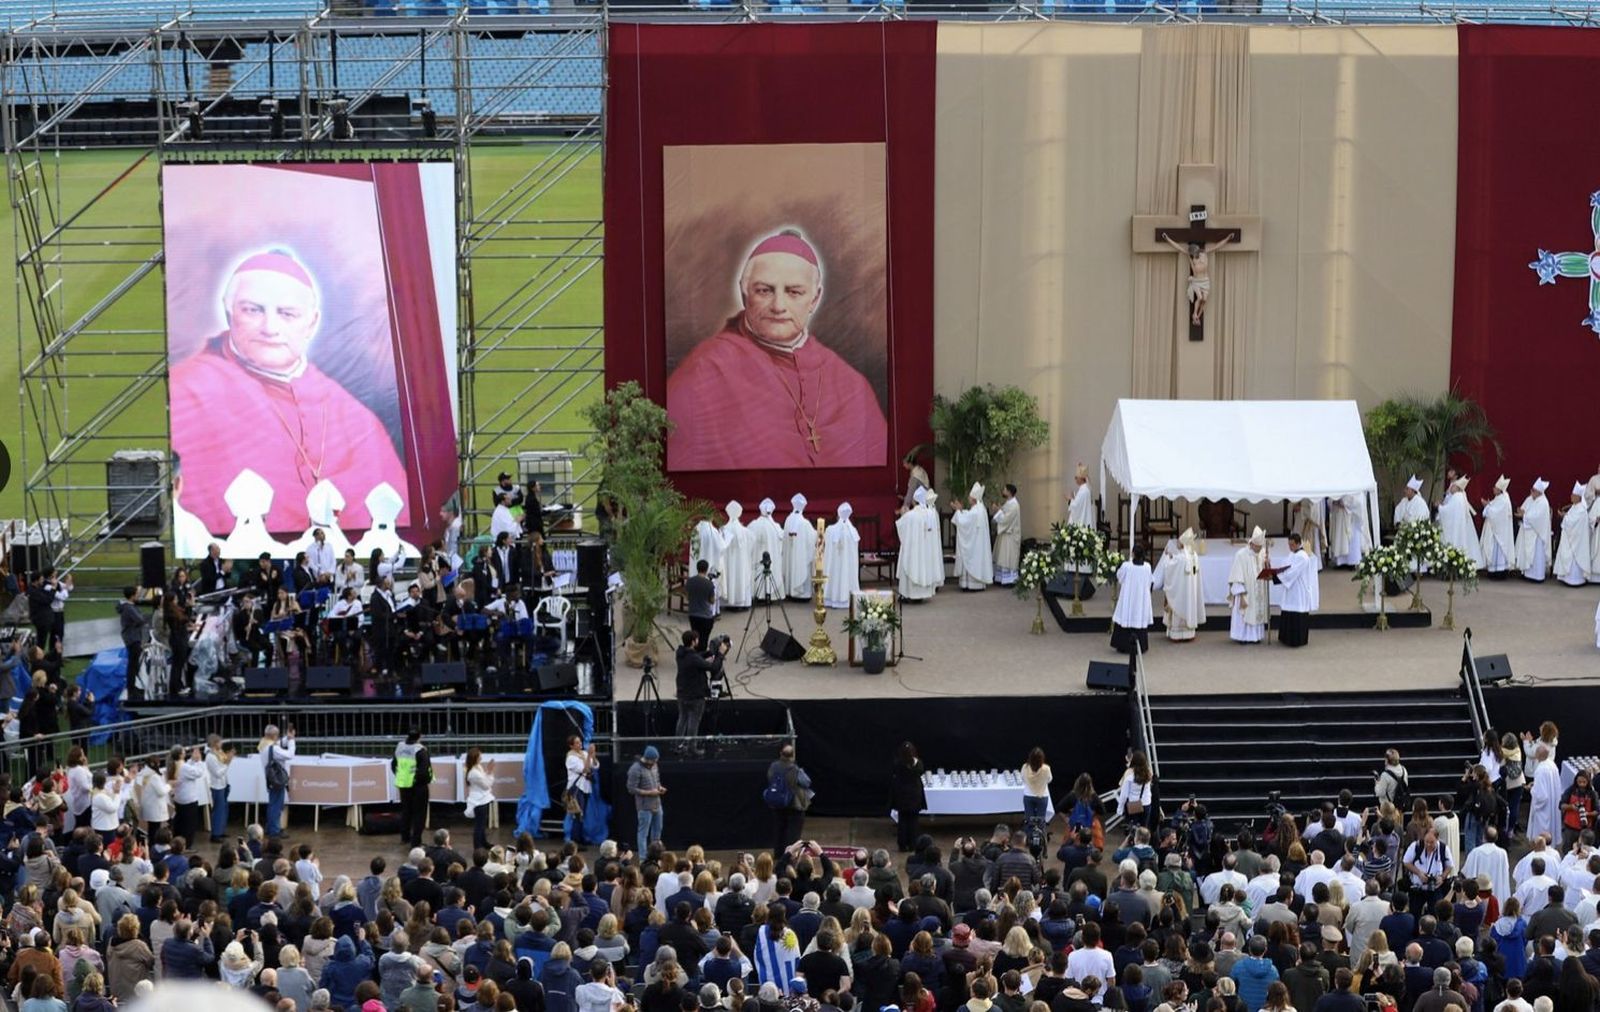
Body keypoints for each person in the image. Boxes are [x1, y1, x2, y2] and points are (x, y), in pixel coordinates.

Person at [168, 249, 408, 536]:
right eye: (253, 310)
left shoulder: (355, 417)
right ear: (229, 312)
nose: (270, 328)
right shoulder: (186, 392)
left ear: (312, 322)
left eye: (287, 314)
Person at [665, 230, 888, 470]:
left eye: (794, 292)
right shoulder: (703, 372)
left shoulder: (853, 386)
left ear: (814, 299)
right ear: (744, 293)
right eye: (764, 290)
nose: (778, 306)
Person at [674, 630, 728, 748]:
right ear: (693, 642)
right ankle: (691, 747)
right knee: (693, 722)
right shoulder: (693, 658)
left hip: (682, 693)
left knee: (682, 719)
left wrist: (709, 653)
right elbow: (714, 668)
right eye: (697, 639)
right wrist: (720, 654)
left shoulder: (680, 654)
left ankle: (678, 744)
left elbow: (697, 657)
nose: (698, 641)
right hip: (695, 695)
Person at [1157, 530, 1204, 642]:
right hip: (1190, 591)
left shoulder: (1180, 558)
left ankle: (1177, 634)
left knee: (1178, 608)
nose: (1177, 543)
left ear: (1183, 544)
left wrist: (1167, 556)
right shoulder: (1194, 556)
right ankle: (1189, 633)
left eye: (1179, 541)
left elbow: (1168, 567)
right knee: (1189, 607)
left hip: (1180, 591)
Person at [895, 489, 941, 602]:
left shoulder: (911, 515)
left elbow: (901, 527)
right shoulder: (930, 514)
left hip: (914, 550)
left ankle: (910, 594)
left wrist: (903, 514)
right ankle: (922, 594)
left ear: (914, 501)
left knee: (911, 564)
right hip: (926, 551)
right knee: (923, 568)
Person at [766, 745, 812, 856]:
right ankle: (790, 855)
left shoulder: (773, 766)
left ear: (780, 754)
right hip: (794, 804)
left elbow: (769, 778)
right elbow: (807, 782)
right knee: (793, 832)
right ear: (793, 755)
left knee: (779, 830)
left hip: (777, 804)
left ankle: (778, 854)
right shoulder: (795, 769)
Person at [1228, 528, 1271, 645]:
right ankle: (1242, 637)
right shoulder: (1241, 555)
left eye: (1261, 547)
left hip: (1258, 591)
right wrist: (1241, 595)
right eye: (1257, 547)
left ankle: (1256, 636)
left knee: (1256, 611)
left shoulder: (1262, 553)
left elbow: (1265, 570)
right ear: (1251, 544)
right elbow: (1237, 577)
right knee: (1245, 614)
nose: (1259, 549)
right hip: (1245, 592)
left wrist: (1267, 564)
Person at [1273, 533, 1317, 649]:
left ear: (1298, 543)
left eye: (1292, 545)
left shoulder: (1302, 557)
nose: (1290, 547)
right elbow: (1284, 566)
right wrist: (1275, 572)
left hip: (1298, 590)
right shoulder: (1293, 554)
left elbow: (1292, 572)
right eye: (1289, 545)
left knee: (1296, 613)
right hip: (1291, 589)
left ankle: (1297, 640)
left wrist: (1275, 578)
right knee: (1288, 611)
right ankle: (1286, 638)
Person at [393, 730, 434, 849]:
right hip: (418, 786)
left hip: (404, 785)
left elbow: (394, 765)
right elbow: (424, 771)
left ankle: (405, 837)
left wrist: (402, 776)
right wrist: (424, 780)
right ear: (419, 737)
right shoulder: (420, 750)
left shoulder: (400, 747)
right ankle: (416, 841)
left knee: (406, 812)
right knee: (419, 814)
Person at [1111, 547, 1155, 655]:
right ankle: (1141, 646)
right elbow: (1150, 582)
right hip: (1140, 599)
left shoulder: (1127, 566)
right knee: (1138, 616)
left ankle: (1123, 646)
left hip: (1128, 598)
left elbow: (1120, 577)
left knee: (1126, 616)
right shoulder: (1147, 567)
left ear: (1133, 553)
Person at [951, 484, 993, 592]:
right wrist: (961, 510)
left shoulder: (976, 510)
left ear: (974, 498)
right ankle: (975, 584)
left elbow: (964, 521)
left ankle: (971, 585)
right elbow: (969, 516)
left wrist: (958, 510)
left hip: (974, 544)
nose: (968, 498)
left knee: (971, 559)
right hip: (977, 543)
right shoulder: (980, 508)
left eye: (970, 496)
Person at [1438, 477, 1485, 570]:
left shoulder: (1457, 497)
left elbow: (1448, 511)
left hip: (1456, 527)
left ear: (1458, 488)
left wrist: (1439, 507)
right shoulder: (1461, 496)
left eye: (1453, 486)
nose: (1451, 488)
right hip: (1460, 526)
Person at [627, 747, 665, 858]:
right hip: (644, 807)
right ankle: (643, 858)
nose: (655, 763)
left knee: (657, 831)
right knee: (643, 833)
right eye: (653, 761)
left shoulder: (655, 766)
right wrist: (649, 793)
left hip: (657, 804)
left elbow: (657, 780)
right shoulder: (635, 769)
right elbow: (631, 789)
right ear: (647, 758)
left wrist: (659, 787)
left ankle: (656, 855)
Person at [889, 742, 927, 854]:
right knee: (913, 821)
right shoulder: (918, 763)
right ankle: (912, 844)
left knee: (902, 821)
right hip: (914, 795)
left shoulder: (898, 764)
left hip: (902, 795)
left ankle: (902, 844)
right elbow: (921, 772)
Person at [260, 723, 296, 840]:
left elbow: (279, 743)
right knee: (276, 805)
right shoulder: (273, 748)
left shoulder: (263, 743)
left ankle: (271, 828)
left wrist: (287, 738)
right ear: (274, 735)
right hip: (277, 778)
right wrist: (291, 741)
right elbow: (289, 755)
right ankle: (274, 831)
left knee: (274, 804)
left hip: (271, 778)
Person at [821, 504, 859, 610]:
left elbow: (825, 548)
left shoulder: (830, 530)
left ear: (838, 515)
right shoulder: (853, 531)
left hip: (835, 564)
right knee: (845, 573)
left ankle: (833, 597)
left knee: (835, 573)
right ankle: (846, 598)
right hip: (847, 564)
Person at [1554, 484, 1592, 587]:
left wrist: (1564, 517)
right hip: (1570, 539)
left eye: (1573, 495)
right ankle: (1567, 578)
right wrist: (1565, 516)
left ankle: (1575, 580)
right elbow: (1571, 518)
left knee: (1574, 560)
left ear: (1578, 497)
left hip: (1576, 542)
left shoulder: (1581, 509)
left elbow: (1572, 522)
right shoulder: (1575, 507)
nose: (1571, 496)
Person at [748, 501, 787, 601]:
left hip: (757, 557)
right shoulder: (775, 527)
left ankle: (757, 594)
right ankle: (769, 594)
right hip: (771, 558)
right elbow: (781, 540)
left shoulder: (753, 525)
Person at [1516, 479, 1553, 582]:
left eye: (1533, 490)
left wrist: (1524, 515)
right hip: (1529, 531)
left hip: (1537, 534)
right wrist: (1522, 512)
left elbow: (1536, 518)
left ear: (1539, 492)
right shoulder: (1532, 499)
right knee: (1527, 553)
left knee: (1537, 556)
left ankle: (1537, 576)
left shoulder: (1543, 502)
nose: (1531, 492)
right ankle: (1527, 574)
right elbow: (1526, 510)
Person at [720, 503, 755, 609]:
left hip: (727, 562)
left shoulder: (723, 530)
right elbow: (752, 544)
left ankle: (728, 601)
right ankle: (741, 601)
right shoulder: (746, 532)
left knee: (728, 577)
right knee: (741, 576)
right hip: (741, 562)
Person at [116, 587, 148, 700]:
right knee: (133, 665)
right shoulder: (129, 608)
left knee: (133, 664)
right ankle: (131, 689)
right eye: (137, 594)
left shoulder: (128, 607)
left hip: (131, 637)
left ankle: (133, 686)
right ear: (132, 596)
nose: (139, 596)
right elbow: (140, 619)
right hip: (132, 638)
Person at [1479, 476, 1515, 578]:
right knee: (1496, 552)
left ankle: (1498, 572)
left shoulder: (1503, 499)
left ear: (1500, 489)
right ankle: (1495, 571)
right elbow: (1494, 508)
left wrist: (1487, 506)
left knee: (1498, 552)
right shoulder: (1500, 498)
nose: (1493, 489)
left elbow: (1495, 513)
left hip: (1499, 533)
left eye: (1495, 487)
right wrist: (1489, 505)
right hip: (1497, 531)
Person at [782, 495, 816, 600]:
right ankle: (802, 594)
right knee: (801, 565)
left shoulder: (788, 520)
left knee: (791, 565)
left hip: (790, 553)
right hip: (801, 555)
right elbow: (812, 538)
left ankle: (790, 591)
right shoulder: (805, 523)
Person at [1529, 746, 1562, 846]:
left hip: (1543, 810)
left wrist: (1532, 789)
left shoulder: (1540, 770)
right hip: (1552, 804)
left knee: (1541, 834)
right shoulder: (1552, 764)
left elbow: (1541, 796)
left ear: (1538, 755)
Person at [463, 749, 495, 853]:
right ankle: (477, 846)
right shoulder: (473, 773)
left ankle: (483, 842)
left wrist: (487, 773)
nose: (481, 758)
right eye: (479, 756)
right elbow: (486, 785)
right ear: (475, 758)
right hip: (478, 801)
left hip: (482, 799)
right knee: (479, 825)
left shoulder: (477, 767)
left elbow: (484, 779)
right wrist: (490, 772)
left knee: (482, 823)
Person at [1329, 495, 1372, 568]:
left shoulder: (1357, 490)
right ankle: (1340, 562)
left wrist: (1344, 502)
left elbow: (1358, 502)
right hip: (1339, 514)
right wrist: (1333, 501)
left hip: (1351, 517)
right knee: (1339, 539)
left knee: (1352, 540)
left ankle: (1352, 562)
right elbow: (1331, 498)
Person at [991, 485, 1022, 586]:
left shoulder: (1014, 505)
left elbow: (1006, 519)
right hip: (1004, 534)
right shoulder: (1008, 503)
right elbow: (1004, 512)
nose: (1003, 491)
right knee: (1002, 557)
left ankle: (1009, 580)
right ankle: (1001, 578)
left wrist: (997, 510)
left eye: (1004, 490)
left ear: (1009, 492)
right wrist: (999, 509)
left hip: (1010, 535)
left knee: (1008, 558)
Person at [686, 561, 717, 647]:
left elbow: (687, 597)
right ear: (706, 570)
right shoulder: (709, 584)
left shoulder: (690, 581)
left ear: (697, 568)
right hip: (705, 616)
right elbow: (712, 601)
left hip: (693, 614)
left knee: (695, 637)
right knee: (704, 638)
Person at [1066, 462, 1095, 531]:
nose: (1075, 479)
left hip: (1083, 521)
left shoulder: (1084, 490)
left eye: (1076, 477)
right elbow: (1080, 504)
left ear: (1081, 478)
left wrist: (1069, 499)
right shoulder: (1087, 488)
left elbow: (1076, 506)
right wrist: (1073, 498)